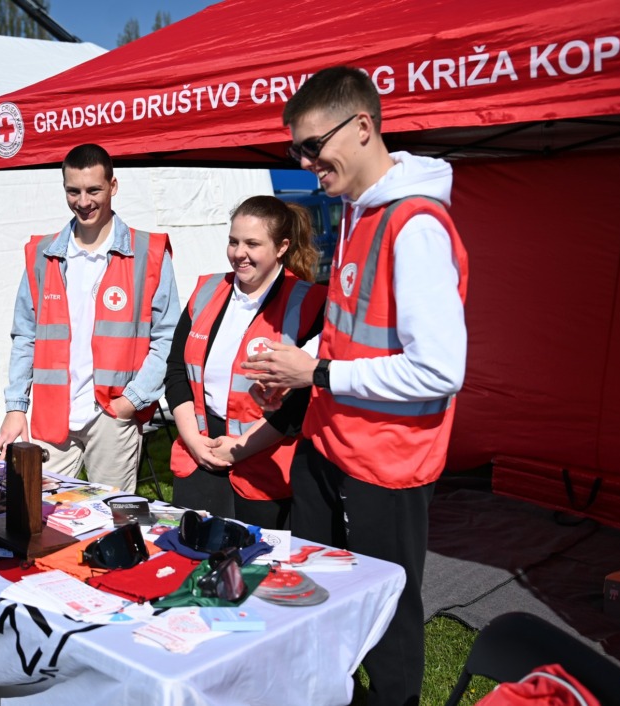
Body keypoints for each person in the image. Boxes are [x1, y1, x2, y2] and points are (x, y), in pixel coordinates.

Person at [243, 66, 468, 706]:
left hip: (388, 462)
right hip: (330, 441)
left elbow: (441, 370)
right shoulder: (354, 212)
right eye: (296, 151)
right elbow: (349, 326)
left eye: (314, 147)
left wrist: (313, 372)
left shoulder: (416, 225)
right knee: (314, 589)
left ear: (363, 127)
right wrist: (297, 362)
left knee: (389, 613)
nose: (306, 162)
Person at [0, 144, 180, 492]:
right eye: (73, 191)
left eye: (93, 190)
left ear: (113, 186)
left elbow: (167, 336)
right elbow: (25, 336)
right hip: (53, 414)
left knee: (113, 524)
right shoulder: (42, 254)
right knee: (40, 517)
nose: (83, 201)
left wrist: (133, 400)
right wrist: (17, 407)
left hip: (112, 415)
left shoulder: (148, 252)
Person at [165, 196, 326, 529]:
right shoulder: (207, 290)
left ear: (282, 247)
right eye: (233, 241)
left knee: (258, 571)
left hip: (265, 463)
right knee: (193, 566)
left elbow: (303, 401)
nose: (239, 253)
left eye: (253, 243)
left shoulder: (310, 302)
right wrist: (194, 441)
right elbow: (177, 371)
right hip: (200, 455)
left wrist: (238, 448)